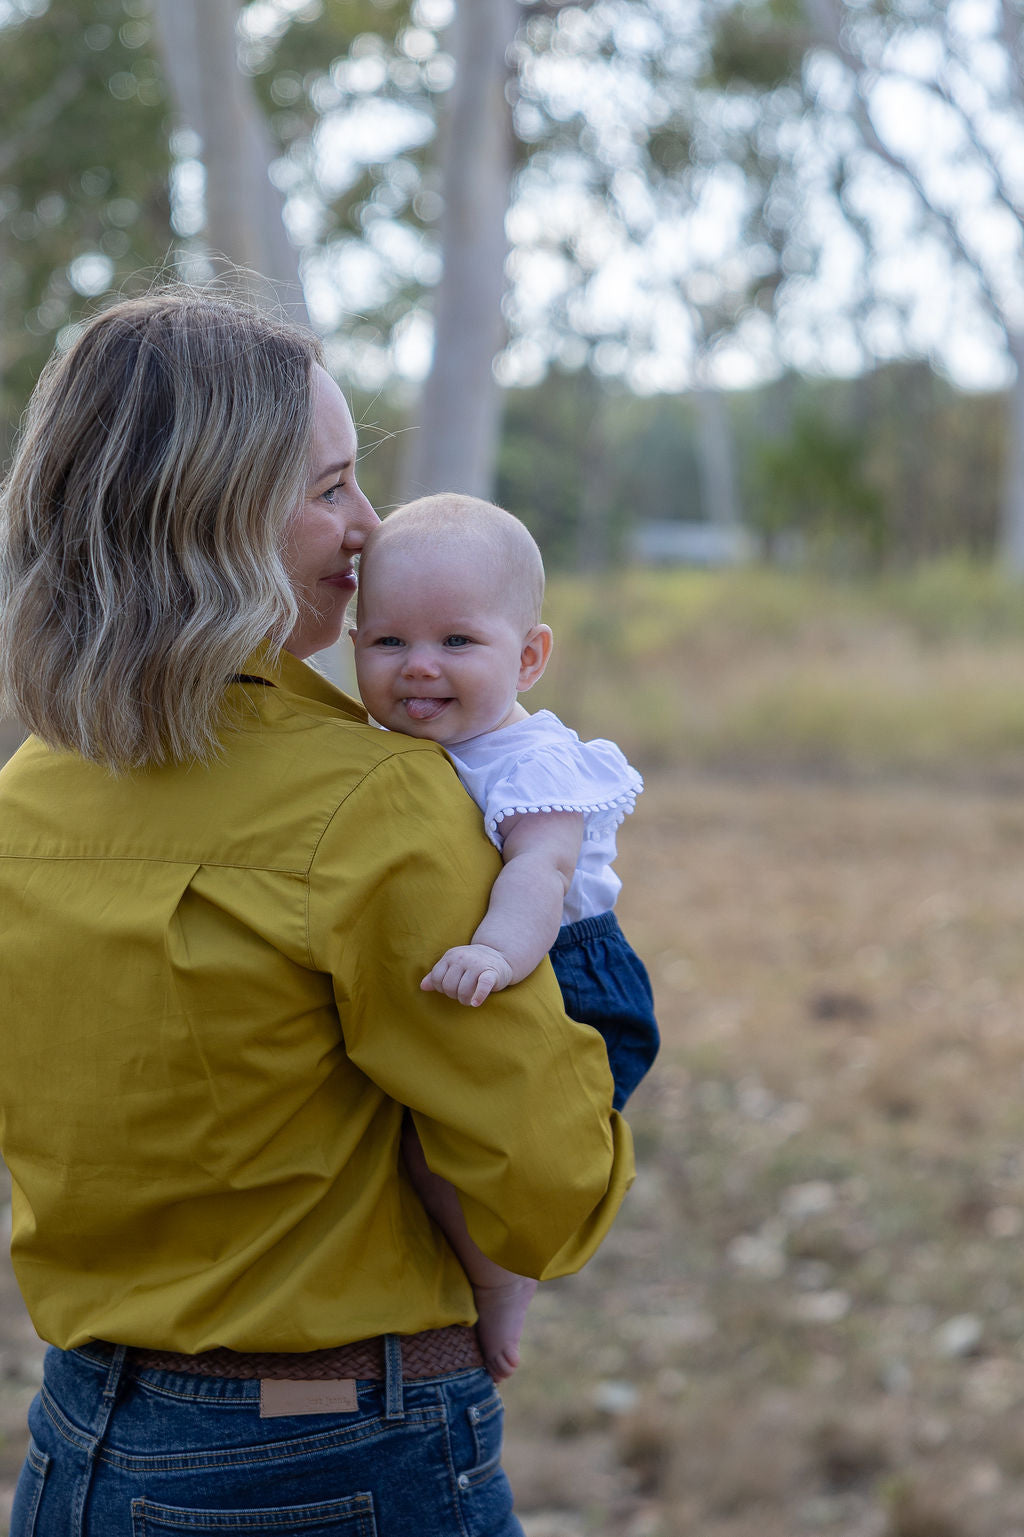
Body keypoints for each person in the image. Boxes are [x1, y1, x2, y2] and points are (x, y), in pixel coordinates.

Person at [0, 290, 634, 1537]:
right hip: (334, 1452)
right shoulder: (376, 799)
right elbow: (548, 1196)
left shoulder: (28, 789)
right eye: (331, 487)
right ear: (219, 515)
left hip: (80, 1442)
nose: (369, 525)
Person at [351, 493, 658, 1380]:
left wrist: (496, 952)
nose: (418, 667)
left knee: (459, 1150)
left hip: (562, 972)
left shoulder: (534, 763)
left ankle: (500, 1283)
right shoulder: (403, 745)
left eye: (456, 642)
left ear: (528, 657)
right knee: (413, 1134)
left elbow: (541, 872)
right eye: (388, 642)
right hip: (488, 966)